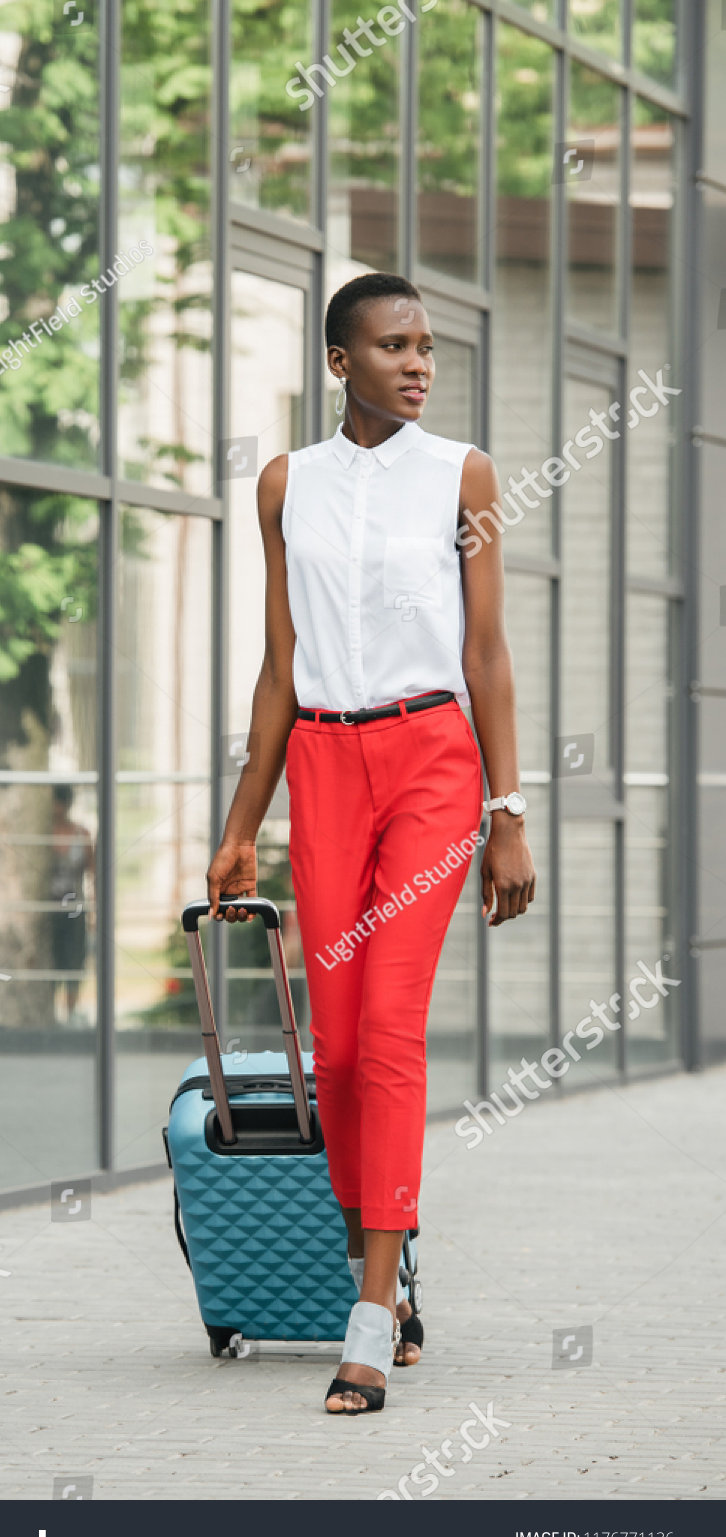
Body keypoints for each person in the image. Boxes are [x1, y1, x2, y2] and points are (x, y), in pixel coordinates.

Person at [206, 273, 536, 1415]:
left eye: (426, 347)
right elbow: (278, 665)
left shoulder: (464, 474)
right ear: (338, 363)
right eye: (392, 347)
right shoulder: (284, 485)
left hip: (432, 761)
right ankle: (386, 1275)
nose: (417, 364)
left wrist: (508, 810)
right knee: (335, 1054)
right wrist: (241, 824)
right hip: (322, 768)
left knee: (389, 1029)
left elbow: (485, 652)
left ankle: (368, 1304)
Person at [50, 785, 94, 1023]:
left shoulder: (81, 834)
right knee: (50, 959)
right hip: (47, 911)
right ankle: (51, 1015)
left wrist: (95, 912)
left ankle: (69, 1015)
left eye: (60, 802)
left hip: (75, 909)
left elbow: (94, 874)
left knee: (75, 959)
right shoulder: (40, 834)